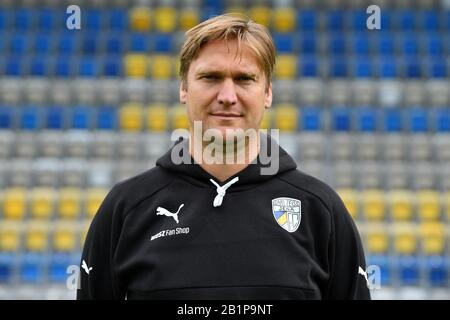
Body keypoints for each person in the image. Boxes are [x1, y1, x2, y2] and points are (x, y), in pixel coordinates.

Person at [77, 14, 370, 300]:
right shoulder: (126, 208)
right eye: (211, 77)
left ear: (267, 92)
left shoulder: (320, 210)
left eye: (244, 79)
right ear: (184, 88)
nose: (227, 96)